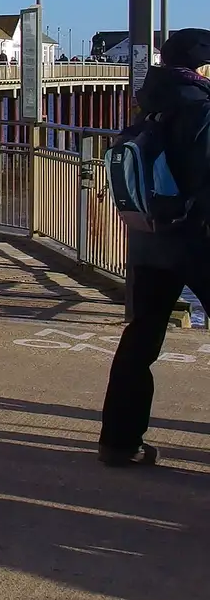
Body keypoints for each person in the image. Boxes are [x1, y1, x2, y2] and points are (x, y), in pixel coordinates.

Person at [98, 28, 210, 467]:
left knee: (140, 339)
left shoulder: (149, 104)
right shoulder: (201, 106)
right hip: (195, 238)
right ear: (201, 65)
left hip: (148, 239)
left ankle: (119, 442)